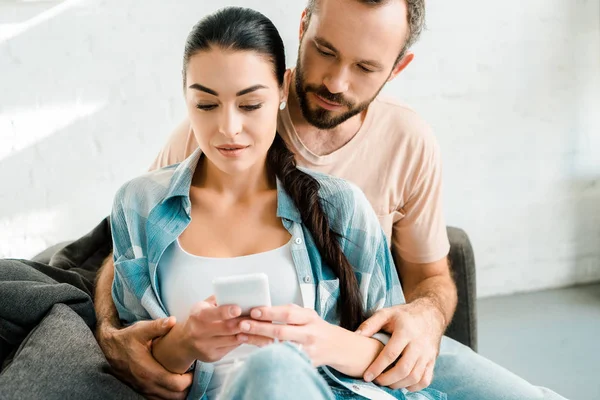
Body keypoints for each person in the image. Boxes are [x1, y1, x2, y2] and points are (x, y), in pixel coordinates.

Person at [96, 1, 566, 399]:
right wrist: (112, 333)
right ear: (303, 27)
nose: (337, 82)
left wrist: (424, 319)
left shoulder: (407, 143)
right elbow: (131, 251)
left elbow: (429, 277)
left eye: (365, 67)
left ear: (397, 67)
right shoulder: (213, 133)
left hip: (359, 348)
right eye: (325, 51)